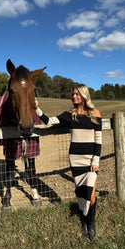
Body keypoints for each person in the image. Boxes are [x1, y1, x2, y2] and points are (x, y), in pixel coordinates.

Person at [35, 84, 102, 240]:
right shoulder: (69, 115)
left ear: (84, 95)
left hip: (90, 160)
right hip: (75, 160)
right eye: (72, 94)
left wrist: (96, 159)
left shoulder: (95, 113)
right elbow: (48, 121)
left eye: (77, 94)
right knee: (80, 192)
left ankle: (91, 224)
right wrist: (36, 109)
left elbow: (98, 139)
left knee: (90, 194)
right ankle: (84, 221)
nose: (74, 97)